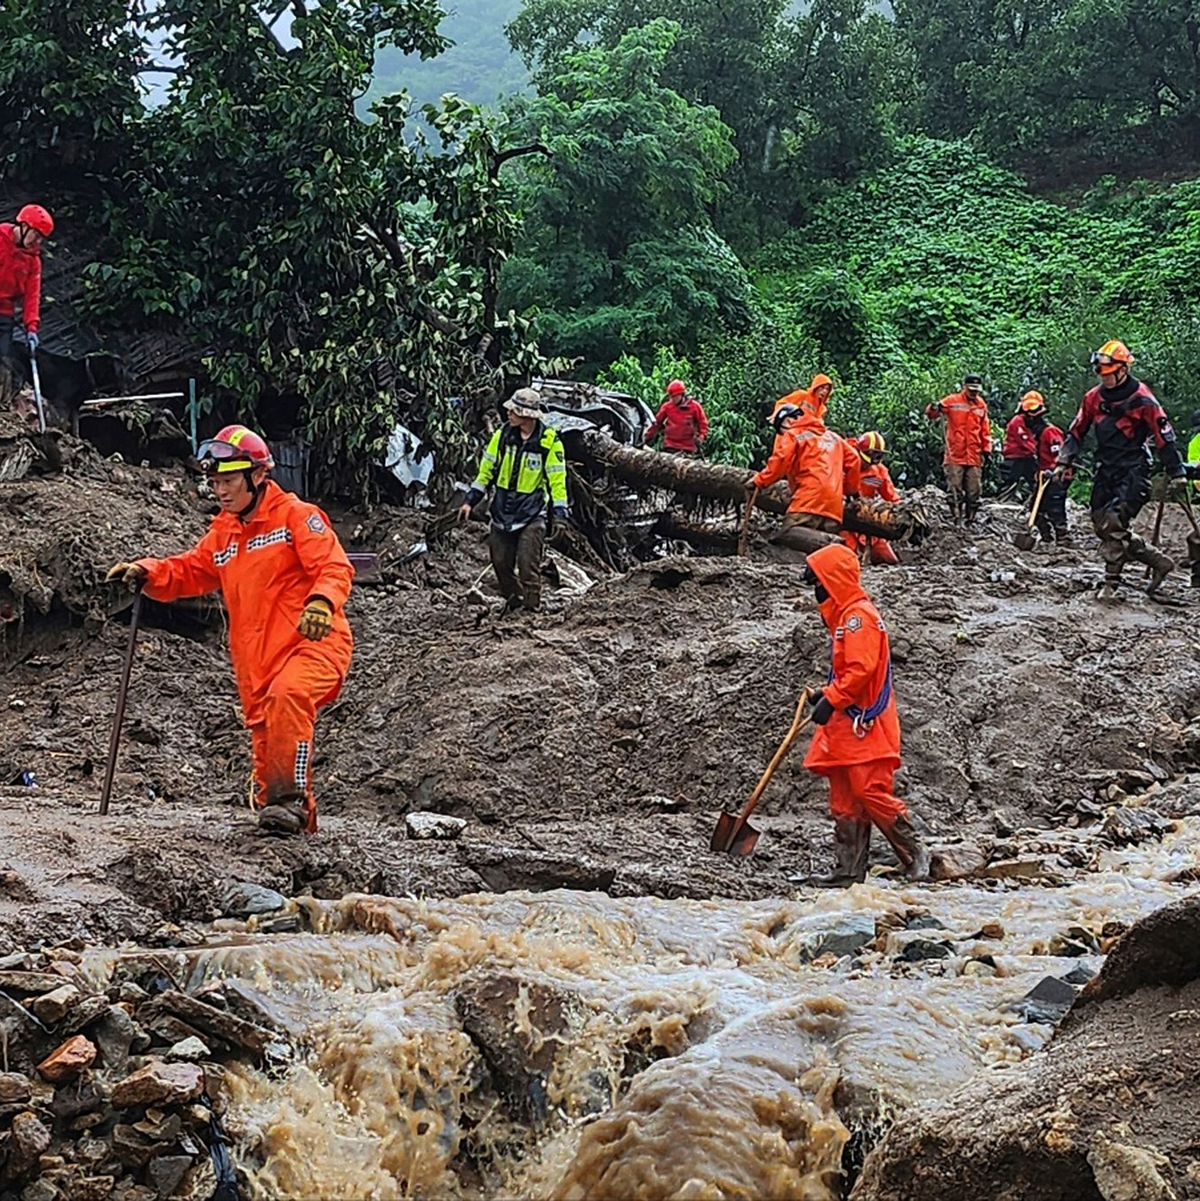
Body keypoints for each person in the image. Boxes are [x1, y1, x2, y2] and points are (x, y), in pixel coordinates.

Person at [106, 425, 354, 835]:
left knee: (288, 697)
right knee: (264, 736)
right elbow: (191, 570)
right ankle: (290, 831)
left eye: (228, 481)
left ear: (257, 476)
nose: (219, 491)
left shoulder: (296, 516)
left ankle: (288, 804)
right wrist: (147, 571)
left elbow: (333, 565)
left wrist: (322, 602)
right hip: (256, 657)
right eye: (215, 482)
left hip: (312, 643)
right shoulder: (225, 531)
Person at [800, 542, 929, 886]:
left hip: (863, 721)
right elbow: (850, 671)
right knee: (844, 796)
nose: (815, 588)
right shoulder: (847, 617)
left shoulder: (859, 618)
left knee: (870, 789)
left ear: (833, 579)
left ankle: (915, 854)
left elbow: (861, 670)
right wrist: (826, 694)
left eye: (819, 580)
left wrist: (834, 697)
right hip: (848, 720)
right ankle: (848, 871)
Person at [1054, 340, 1183, 597]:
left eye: (1109, 373)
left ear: (1123, 369)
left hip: (1133, 466)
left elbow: (1163, 435)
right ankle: (1158, 561)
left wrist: (1177, 471)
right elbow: (1077, 430)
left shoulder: (1143, 399)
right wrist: (1064, 460)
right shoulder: (1093, 398)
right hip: (1106, 466)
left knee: (1114, 521)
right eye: (1100, 373)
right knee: (1101, 524)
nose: (1105, 378)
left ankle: (1111, 583)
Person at [460, 387, 569, 614]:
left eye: (514, 410)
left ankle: (531, 612)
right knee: (500, 563)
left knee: (528, 566)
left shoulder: (549, 442)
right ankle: (515, 600)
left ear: (528, 415)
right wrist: (470, 500)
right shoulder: (501, 436)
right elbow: (486, 472)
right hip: (501, 511)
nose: (508, 413)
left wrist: (559, 516)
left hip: (532, 512)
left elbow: (557, 482)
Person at [748, 403, 860, 539]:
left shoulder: (794, 435)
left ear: (788, 421)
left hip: (808, 500)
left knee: (787, 537)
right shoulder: (834, 437)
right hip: (834, 507)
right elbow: (855, 460)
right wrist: (849, 490)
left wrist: (760, 481)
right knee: (826, 549)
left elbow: (781, 460)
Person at [925, 373, 993, 523]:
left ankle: (971, 519)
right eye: (971, 389)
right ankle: (957, 518)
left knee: (974, 489)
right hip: (955, 453)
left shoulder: (981, 404)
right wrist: (933, 407)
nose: (974, 393)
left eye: (977, 390)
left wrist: (987, 449)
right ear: (964, 387)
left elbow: (985, 429)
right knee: (955, 488)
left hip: (974, 454)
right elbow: (932, 414)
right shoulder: (952, 401)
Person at [0, 204, 53, 380]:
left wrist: (32, 327)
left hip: (4, 314)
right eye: (36, 235)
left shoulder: (33, 261)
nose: (37, 241)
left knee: (3, 363)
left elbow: (32, 295)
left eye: (41, 238)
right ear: (24, 226)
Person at [843, 431, 900, 565]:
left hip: (868, 520)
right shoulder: (842, 463)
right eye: (873, 455)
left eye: (879, 455)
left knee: (890, 560)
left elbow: (892, 497)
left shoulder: (879, 471)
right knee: (849, 555)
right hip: (844, 521)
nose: (874, 460)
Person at [1018, 392, 1068, 544]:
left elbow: (1059, 455)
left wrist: (1052, 471)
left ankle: (1064, 538)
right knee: (1036, 508)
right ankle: (1046, 538)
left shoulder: (1050, 432)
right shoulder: (1038, 433)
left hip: (1058, 475)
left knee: (1055, 508)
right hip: (1044, 475)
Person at [645, 379, 708, 456]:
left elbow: (703, 423)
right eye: (671, 397)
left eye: (674, 397)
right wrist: (646, 436)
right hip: (670, 445)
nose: (672, 399)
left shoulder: (694, 407)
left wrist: (701, 437)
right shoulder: (667, 407)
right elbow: (657, 423)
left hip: (688, 446)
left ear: (681, 395)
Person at [1001, 392, 1042, 497]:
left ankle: (1038, 501)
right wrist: (1038, 451)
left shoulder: (1033, 421)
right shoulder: (1018, 421)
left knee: (1035, 480)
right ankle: (1006, 500)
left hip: (1027, 456)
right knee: (1010, 482)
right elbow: (1024, 440)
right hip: (1014, 456)